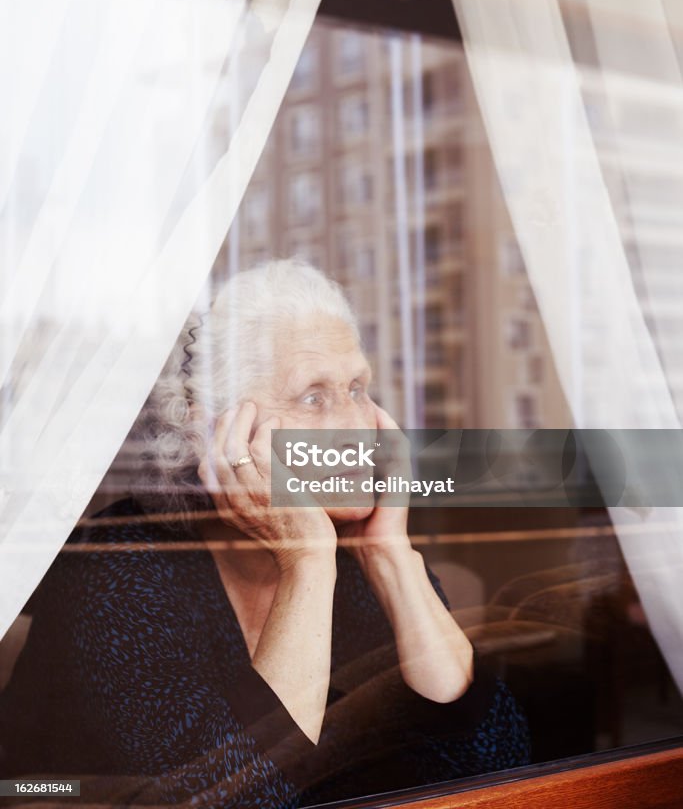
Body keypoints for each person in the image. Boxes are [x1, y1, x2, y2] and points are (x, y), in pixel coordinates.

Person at [0, 260, 530, 806]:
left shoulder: (356, 550)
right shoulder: (120, 567)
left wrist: (392, 556)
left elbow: (502, 774)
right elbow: (240, 802)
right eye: (313, 397)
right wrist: (305, 562)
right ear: (214, 430)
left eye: (357, 388)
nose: (356, 427)